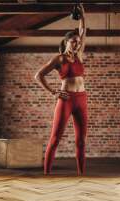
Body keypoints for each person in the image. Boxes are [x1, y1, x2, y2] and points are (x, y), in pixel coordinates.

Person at [34, 4, 87, 175]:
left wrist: (83, 14)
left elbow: (83, 31)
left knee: (81, 141)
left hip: (82, 99)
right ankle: (47, 174)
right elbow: (38, 75)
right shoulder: (59, 58)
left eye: (78, 43)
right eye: (74, 42)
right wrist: (53, 92)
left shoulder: (79, 56)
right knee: (55, 139)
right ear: (66, 42)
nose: (77, 44)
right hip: (66, 100)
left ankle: (82, 175)